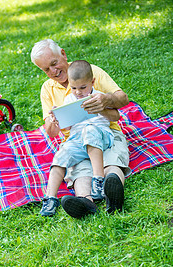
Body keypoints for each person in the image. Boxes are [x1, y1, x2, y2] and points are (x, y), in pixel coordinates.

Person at [30, 39, 131, 218]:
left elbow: (123, 99)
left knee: (112, 163)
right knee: (80, 172)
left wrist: (105, 101)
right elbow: (51, 132)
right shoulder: (47, 89)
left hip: (107, 133)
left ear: (63, 54)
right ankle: (85, 202)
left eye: (54, 63)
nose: (53, 71)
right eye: (46, 69)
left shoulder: (89, 71)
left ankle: (113, 196)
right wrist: (54, 122)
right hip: (75, 140)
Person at [41, 60, 120, 216]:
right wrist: (58, 117)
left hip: (101, 135)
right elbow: (67, 127)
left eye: (83, 88)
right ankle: (50, 198)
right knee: (61, 156)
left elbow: (116, 116)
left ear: (92, 82)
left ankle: (98, 180)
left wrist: (101, 109)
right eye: (74, 87)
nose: (78, 92)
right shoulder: (69, 99)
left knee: (89, 130)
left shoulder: (99, 96)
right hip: (77, 139)